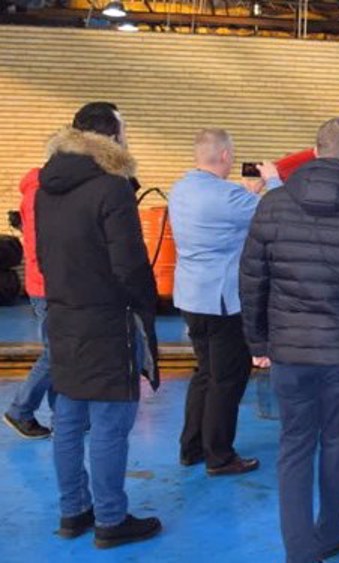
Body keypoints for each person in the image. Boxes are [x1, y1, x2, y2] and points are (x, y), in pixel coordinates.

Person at [240, 117, 339, 563]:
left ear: (314, 153)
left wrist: (257, 343)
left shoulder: (273, 207)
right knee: (338, 445)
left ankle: (299, 551)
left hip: (290, 352)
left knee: (294, 447)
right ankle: (330, 534)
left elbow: (252, 281)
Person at [35, 102, 162, 548]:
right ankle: (110, 519)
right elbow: (128, 263)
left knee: (68, 418)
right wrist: (149, 305)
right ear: (111, 136)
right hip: (107, 320)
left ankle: (74, 511)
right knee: (109, 421)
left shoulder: (46, 185)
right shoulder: (112, 188)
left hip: (62, 313)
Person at [168, 129, 281, 475]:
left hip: (190, 295)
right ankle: (219, 455)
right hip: (222, 300)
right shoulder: (228, 197)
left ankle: (192, 446)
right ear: (226, 156)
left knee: (205, 372)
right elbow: (279, 213)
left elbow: (235, 212)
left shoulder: (182, 188)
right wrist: (274, 181)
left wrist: (251, 194)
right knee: (227, 378)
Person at [3, 168, 56, 439]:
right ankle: (20, 411)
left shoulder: (46, 189)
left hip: (52, 284)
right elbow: (42, 248)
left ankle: (64, 414)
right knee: (57, 352)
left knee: (62, 351)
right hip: (49, 286)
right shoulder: (39, 192)